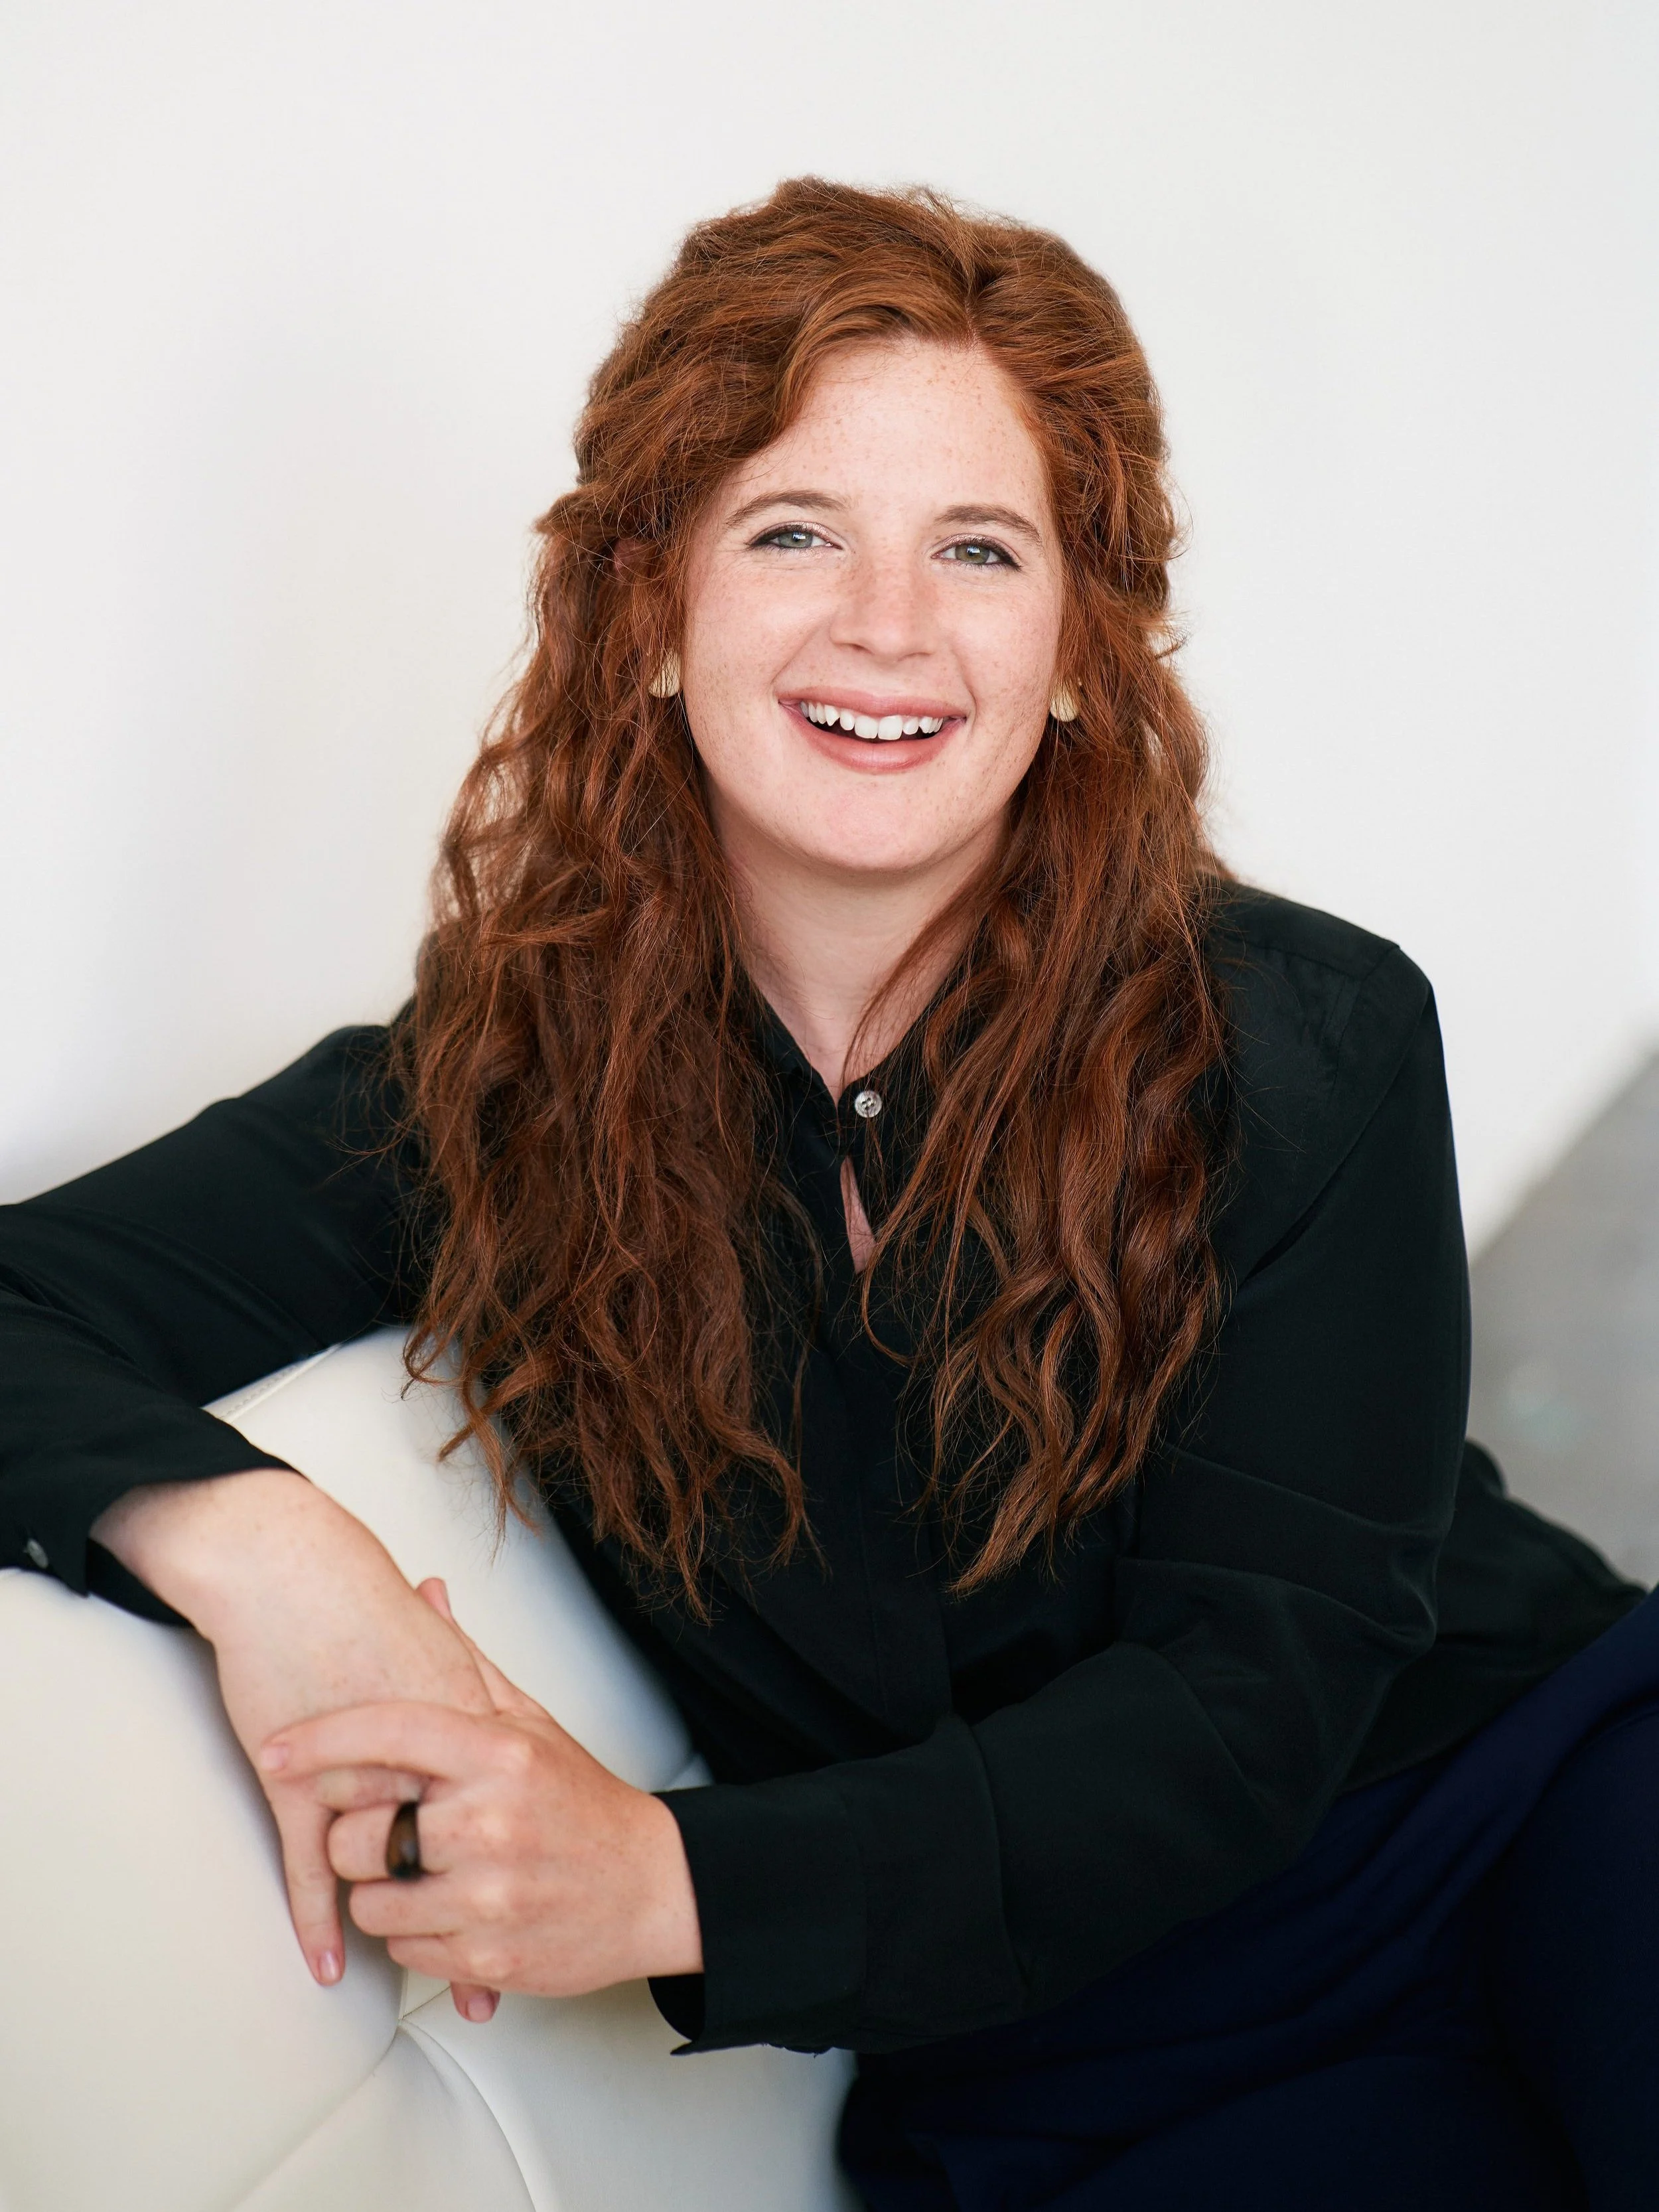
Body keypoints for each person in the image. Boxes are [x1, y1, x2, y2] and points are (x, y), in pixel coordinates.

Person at [2, 179, 1653, 2210]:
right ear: (648, 610)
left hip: (1514, 1804)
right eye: (794, 531)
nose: (887, 624)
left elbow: (1250, 1707)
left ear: (1073, 648)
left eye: (977, 546)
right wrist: (264, 1551)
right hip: (1070, 2065)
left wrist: (658, 1877)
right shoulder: (488, 1102)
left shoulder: (1301, 1033)